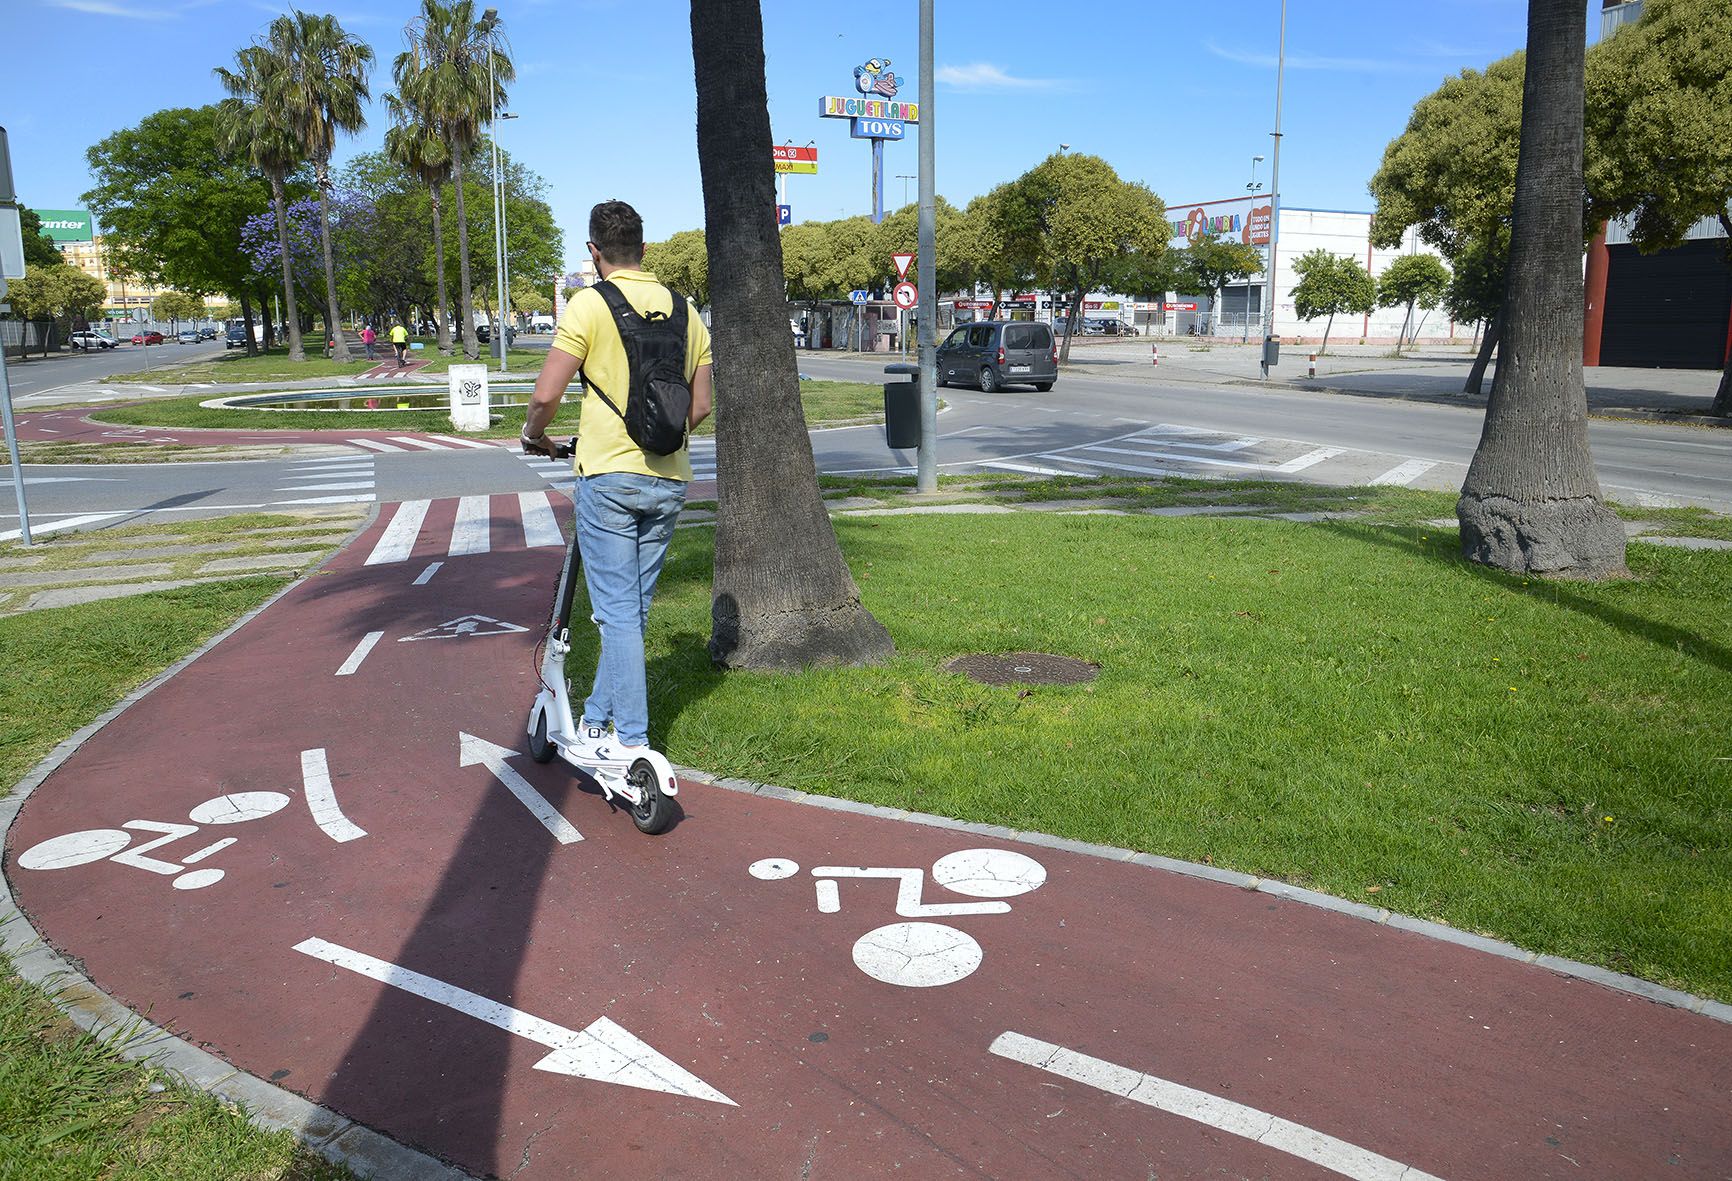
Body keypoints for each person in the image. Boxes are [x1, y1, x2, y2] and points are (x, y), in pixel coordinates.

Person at [520, 200, 713, 763]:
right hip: (669, 478)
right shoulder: (686, 310)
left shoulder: (588, 305)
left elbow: (546, 395)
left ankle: (632, 741)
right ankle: (596, 722)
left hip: (608, 476)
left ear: (594, 250)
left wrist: (535, 435)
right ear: (644, 249)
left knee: (617, 615)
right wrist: (661, 436)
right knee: (632, 611)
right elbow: (701, 406)